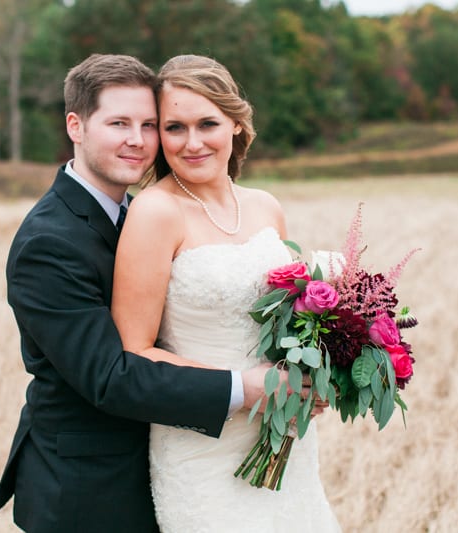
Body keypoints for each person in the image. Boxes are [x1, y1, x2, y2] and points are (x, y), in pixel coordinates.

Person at [0, 54, 280, 533]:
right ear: (76, 126)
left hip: (183, 458)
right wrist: (245, 387)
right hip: (89, 488)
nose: (137, 140)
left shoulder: (139, 211)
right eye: (119, 123)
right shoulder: (49, 241)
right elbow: (109, 377)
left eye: (148, 124)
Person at [111, 54, 340, 532]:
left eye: (207, 124)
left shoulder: (265, 207)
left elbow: (290, 320)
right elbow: (134, 350)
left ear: (236, 122)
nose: (192, 143)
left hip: (284, 440)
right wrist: (246, 387)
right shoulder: (155, 212)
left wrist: (314, 375)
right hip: (203, 448)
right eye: (175, 128)